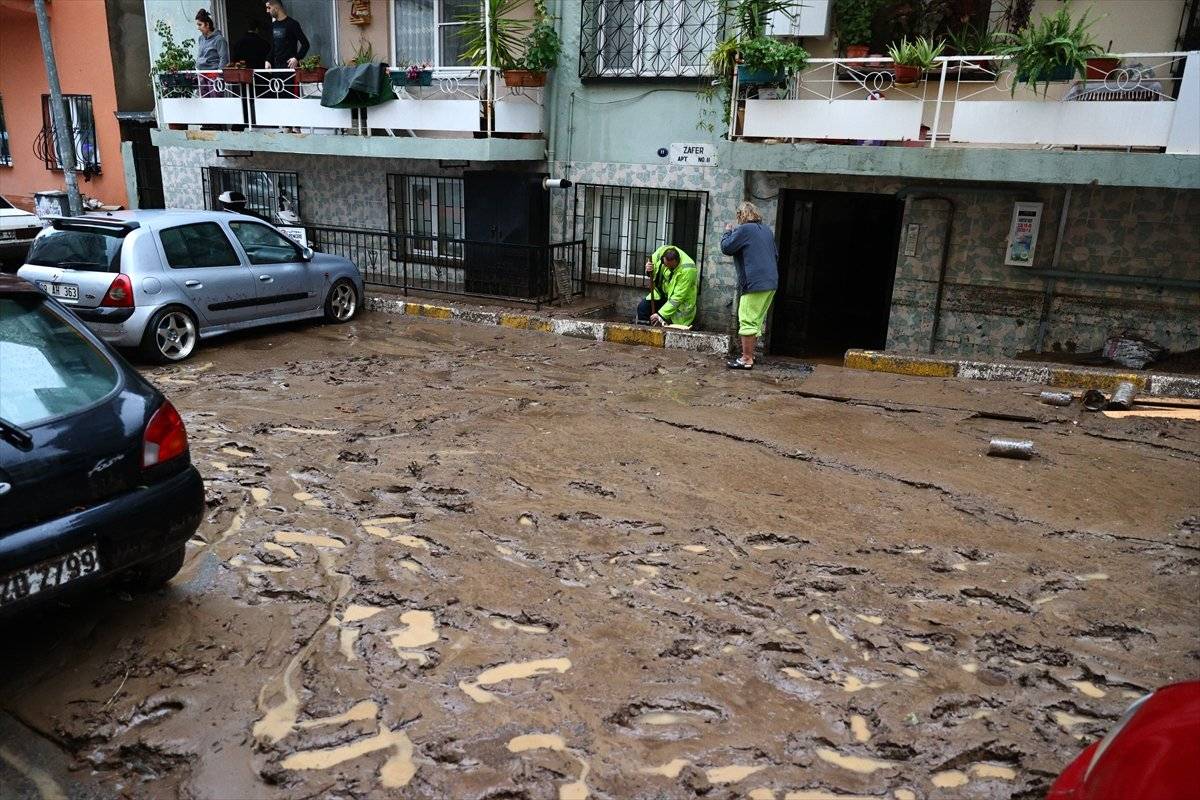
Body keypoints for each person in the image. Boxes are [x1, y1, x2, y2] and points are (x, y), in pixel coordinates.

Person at [720, 201, 778, 370]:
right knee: (756, 321)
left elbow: (727, 247)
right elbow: (775, 254)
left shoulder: (743, 230)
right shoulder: (767, 231)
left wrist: (727, 231)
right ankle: (750, 355)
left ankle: (746, 359)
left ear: (741, 215)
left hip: (755, 283)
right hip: (771, 282)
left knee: (746, 320)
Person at [637, 245, 698, 328]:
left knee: (670, 327)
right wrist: (648, 269)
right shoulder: (661, 252)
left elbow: (678, 297)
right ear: (663, 258)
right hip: (662, 293)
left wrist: (660, 315)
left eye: (671, 267)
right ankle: (644, 333)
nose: (668, 268)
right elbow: (651, 264)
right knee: (643, 308)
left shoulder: (688, 270)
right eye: (666, 265)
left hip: (679, 304)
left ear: (677, 261)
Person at [265, 0, 309, 70]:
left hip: (290, 68)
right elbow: (273, 47)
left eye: (269, 8)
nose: (267, 11)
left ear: (276, 8)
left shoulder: (292, 24)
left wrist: (296, 58)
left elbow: (305, 44)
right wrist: (268, 60)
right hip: (276, 68)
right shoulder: (273, 25)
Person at [194, 9, 229, 99]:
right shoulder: (201, 38)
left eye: (200, 25)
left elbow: (223, 58)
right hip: (202, 74)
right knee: (205, 103)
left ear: (207, 25)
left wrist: (219, 75)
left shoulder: (219, 39)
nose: (198, 28)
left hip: (213, 76)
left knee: (216, 101)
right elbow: (200, 54)